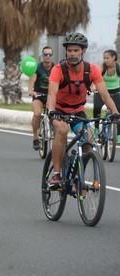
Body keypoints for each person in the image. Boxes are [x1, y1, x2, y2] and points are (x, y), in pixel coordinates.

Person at [46, 33, 120, 187]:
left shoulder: (91, 70)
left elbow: (105, 95)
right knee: (62, 130)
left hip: (78, 111)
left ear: (83, 51)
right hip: (59, 111)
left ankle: (79, 175)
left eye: (76, 50)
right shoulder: (58, 69)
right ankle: (57, 175)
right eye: (69, 50)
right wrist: (52, 111)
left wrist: (115, 112)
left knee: (90, 139)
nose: (72, 54)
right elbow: (52, 94)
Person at [27, 46, 55, 150]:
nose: (47, 56)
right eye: (45, 54)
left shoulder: (55, 68)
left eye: (49, 55)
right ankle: (35, 137)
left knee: (55, 115)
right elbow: (32, 80)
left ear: (52, 56)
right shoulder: (37, 67)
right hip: (38, 94)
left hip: (50, 95)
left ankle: (55, 135)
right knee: (37, 114)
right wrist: (31, 91)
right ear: (42, 56)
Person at [92, 49, 120, 133]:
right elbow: (94, 78)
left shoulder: (118, 68)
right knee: (96, 108)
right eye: (104, 58)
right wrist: (94, 87)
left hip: (115, 92)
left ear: (113, 57)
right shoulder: (102, 67)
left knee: (118, 112)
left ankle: (118, 135)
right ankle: (96, 129)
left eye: (107, 58)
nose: (105, 60)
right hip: (102, 92)